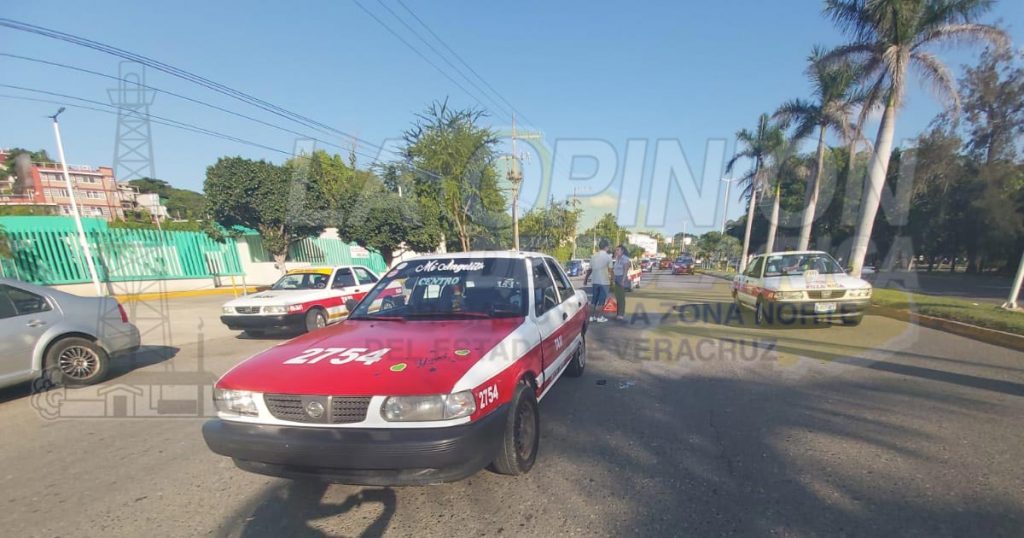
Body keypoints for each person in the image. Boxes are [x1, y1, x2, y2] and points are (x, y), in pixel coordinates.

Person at [584, 239, 612, 323]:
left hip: (595, 281)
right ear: (606, 247)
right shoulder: (608, 257)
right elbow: (610, 270)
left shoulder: (593, 256)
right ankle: (599, 317)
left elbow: (589, 270)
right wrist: (613, 280)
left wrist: (585, 279)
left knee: (593, 300)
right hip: (604, 282)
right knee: (601, 301)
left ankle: (591, 317)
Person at [612, 245, 631, 322]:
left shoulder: (625, 259)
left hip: (621, 279)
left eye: (618, 250)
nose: (616, 251)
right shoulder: (617, 258)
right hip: (616, 278)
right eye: (616, 250)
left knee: (621, 298)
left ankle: (621, 314)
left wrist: (623, 280)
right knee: (617, 297)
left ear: (622, 251)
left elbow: (625, 270)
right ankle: (618, 313)